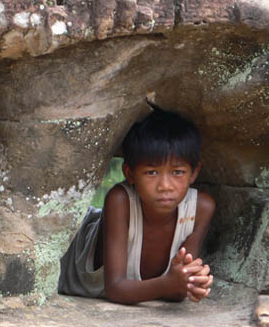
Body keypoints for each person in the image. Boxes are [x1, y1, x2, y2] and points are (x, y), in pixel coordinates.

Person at [58, 107, 215, 304]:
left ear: (194, 173)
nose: (165, 186)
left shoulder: (201, 208)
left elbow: (176, 292)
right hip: (77, 243)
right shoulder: (120, 200)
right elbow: (116, 288)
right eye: (151, 172)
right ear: (130, 174)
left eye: (177, 172)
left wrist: (191, 282)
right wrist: (169, 283)